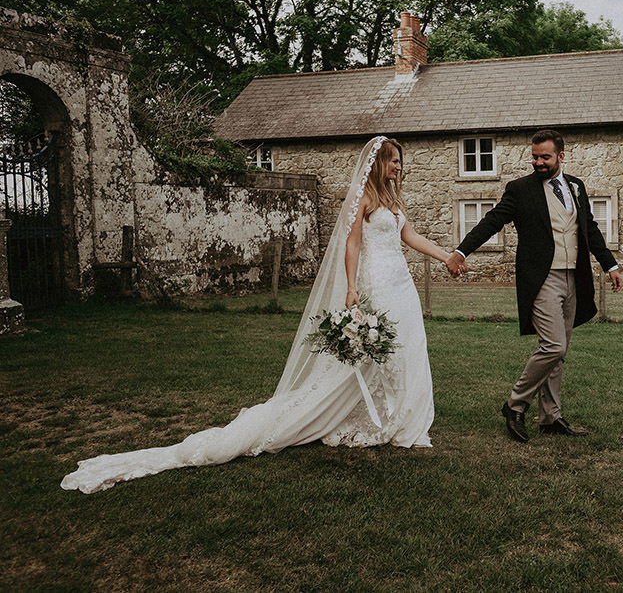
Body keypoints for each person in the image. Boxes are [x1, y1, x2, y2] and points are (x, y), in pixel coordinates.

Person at [62, 136, 453, 493]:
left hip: (401, 284)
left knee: (407, 348)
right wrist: (351, 288)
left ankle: (402, 418)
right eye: (393, 160)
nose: (398, 166)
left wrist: (447, 257)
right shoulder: (360, 196)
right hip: (375, 283)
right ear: (378, 161)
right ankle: (374, 417)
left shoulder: (393, 200)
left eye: (399, 161)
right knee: (376, 353)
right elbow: (351, 246)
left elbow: (410, 237)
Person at [447, 129, 623, 443]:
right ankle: (515, 404)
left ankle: (550, 417)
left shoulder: (576, 186)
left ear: (561, 156)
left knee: (559, 352)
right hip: (542, 279)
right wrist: (461, 251)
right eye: (534, 157)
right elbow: (492, 221)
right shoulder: (520, 189)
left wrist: (610, 265)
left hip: (574, 277)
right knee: (553, 346)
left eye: (545, 157)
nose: (538, 162)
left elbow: (590, 229)